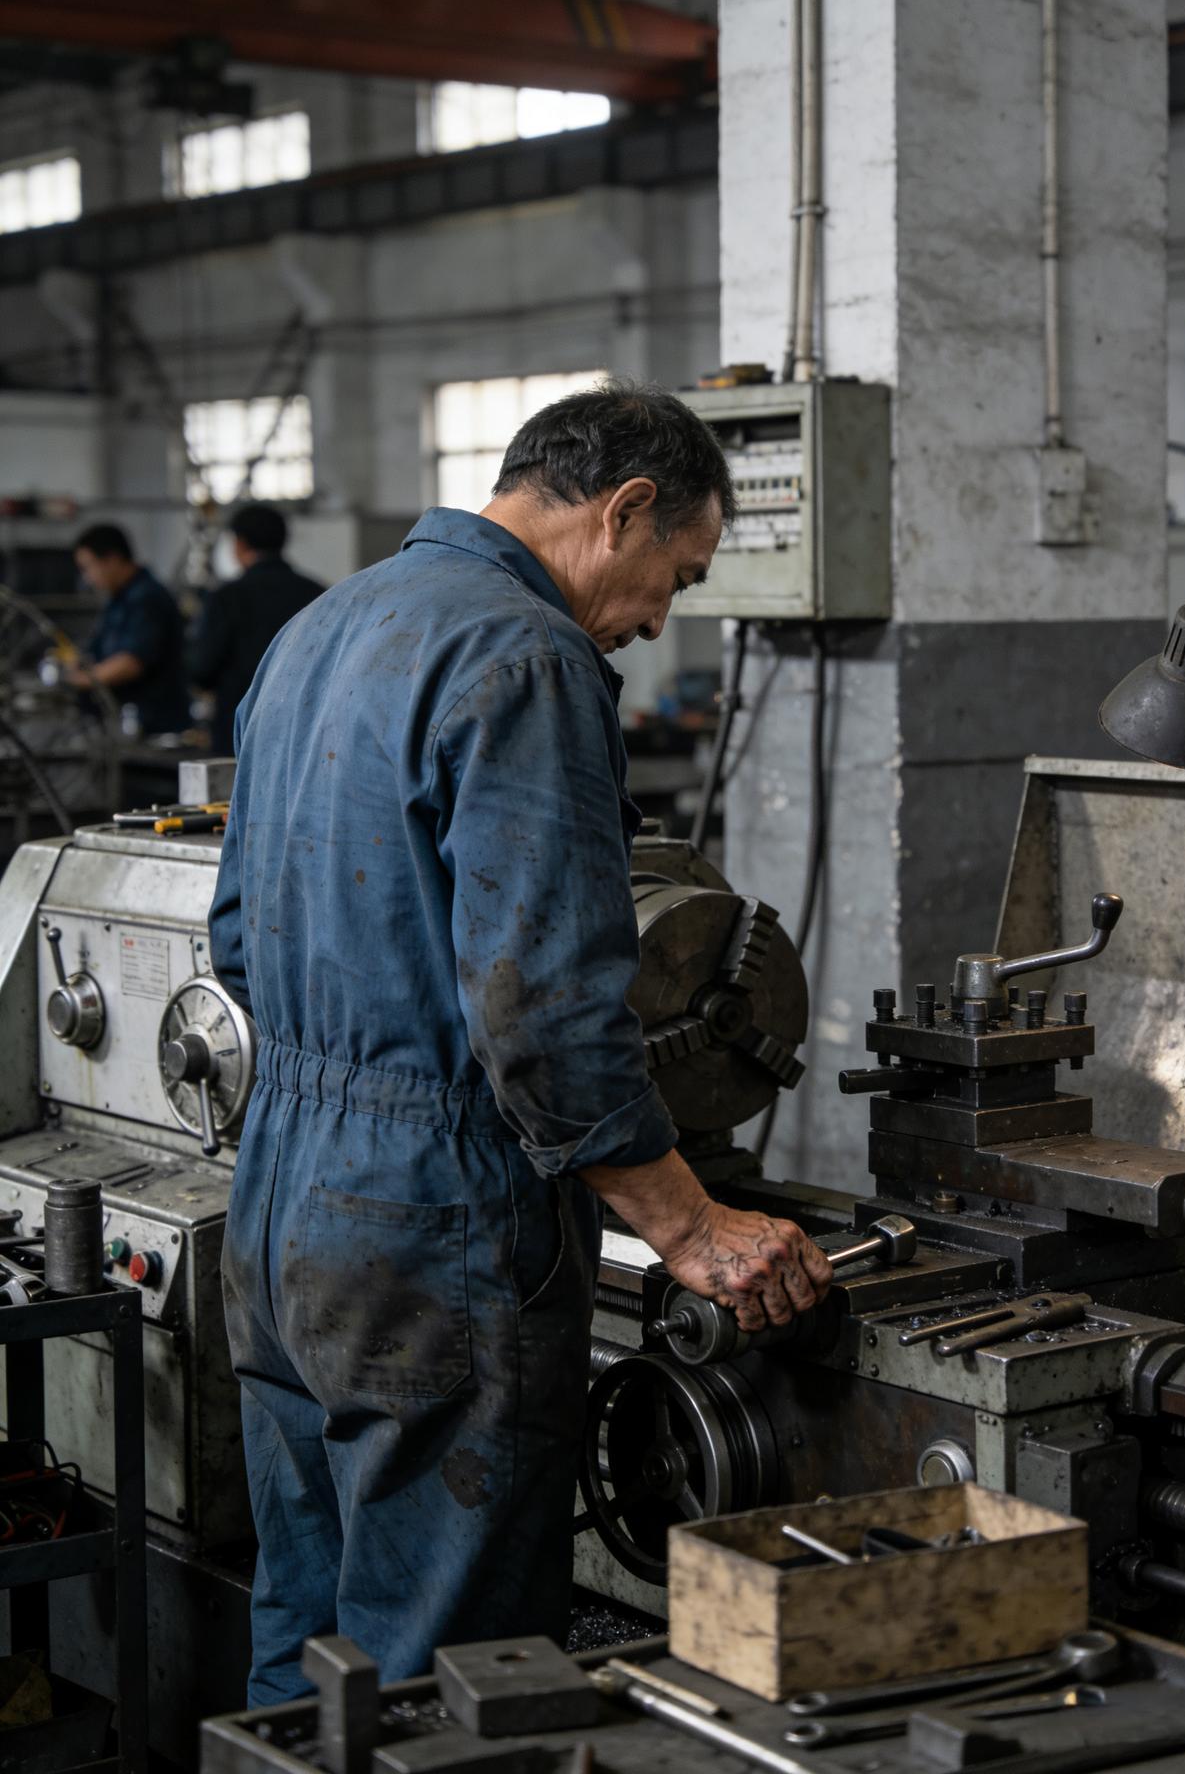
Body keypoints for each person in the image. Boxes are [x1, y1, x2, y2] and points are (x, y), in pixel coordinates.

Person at [210, 378, 832, 1706]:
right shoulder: (529, 658)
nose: (659, 620)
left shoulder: (320, 626)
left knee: (309, 1628)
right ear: (625, 510)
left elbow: (240, 941)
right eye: (677, 577)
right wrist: (688, 1225)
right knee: (444, 1670)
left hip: (276, 1199)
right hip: (429, 1222)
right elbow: (546, 1023)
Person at [189, 503, 325, 755]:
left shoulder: (227, 598)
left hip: (239, 734)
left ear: (239, 544)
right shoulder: (318, 594)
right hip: (303, 732)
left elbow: (203, 668)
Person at [70, 523, 189, 736]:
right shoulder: (117, 600)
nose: (87, 578)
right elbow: (96, 652)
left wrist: (82, 680)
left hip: (154, 725)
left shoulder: (147, 598)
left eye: (88, 567)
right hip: (124, 723)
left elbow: (131, 663)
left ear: (113, 560)